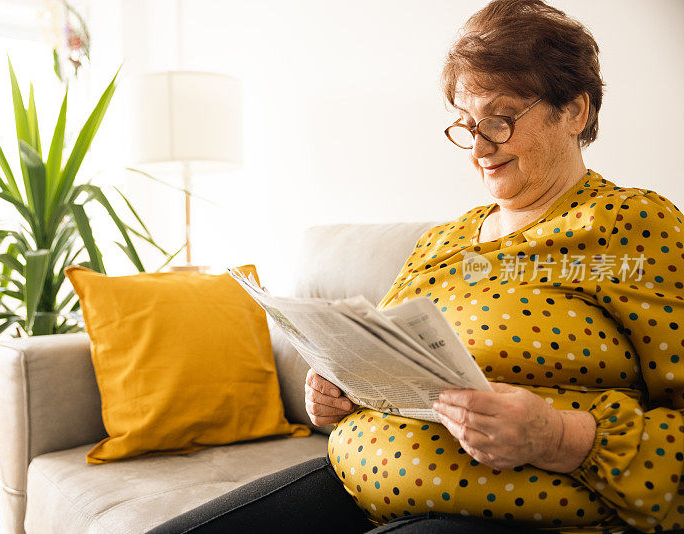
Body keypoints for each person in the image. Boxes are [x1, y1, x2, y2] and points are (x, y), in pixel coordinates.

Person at [148, 1, 684, 532]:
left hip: (511, 514)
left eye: (498, 120)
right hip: (353, 483)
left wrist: (557, 436)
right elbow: (376, 360)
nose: (478, 148)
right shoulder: (442, 241)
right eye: (465, 124)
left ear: (574, 111)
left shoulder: (631, 223)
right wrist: (337, 394)